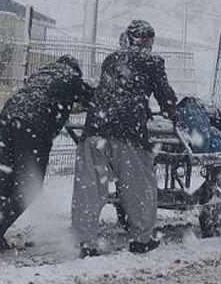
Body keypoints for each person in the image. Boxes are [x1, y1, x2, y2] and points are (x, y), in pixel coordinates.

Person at [72, 19, 177, 257]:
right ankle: (142, 239)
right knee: (138, 186)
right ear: (147, 41)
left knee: (89, 187)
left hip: (95, 129)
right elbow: (166, 97)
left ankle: (84, 241)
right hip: (128, 131)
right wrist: (171, 111)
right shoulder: (153, 62)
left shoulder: (111, 59)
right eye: (149, 40)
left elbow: (111, 90)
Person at [0, 54, 91, 252]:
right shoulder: (71, 76)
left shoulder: (41, 75)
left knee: (1, 179)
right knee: (29, 187)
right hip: (34, 126)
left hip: (7, 117)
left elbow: (50, 97)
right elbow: (92, 98)